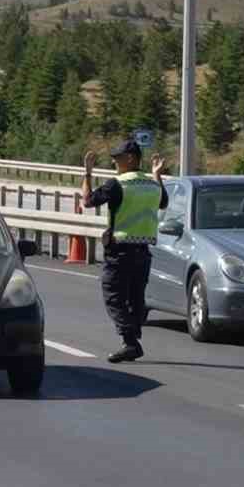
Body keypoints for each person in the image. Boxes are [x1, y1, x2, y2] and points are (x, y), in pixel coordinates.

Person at [82, 139, 167, 363]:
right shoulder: (151, 185)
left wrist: (88, 174)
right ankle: (132, 335)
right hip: (143, 250)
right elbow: (163, 202)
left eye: (117, 158)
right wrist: (156, 174)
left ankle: (130, 341)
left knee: (113, 296)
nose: (114, 162)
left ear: (130, 159)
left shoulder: (117, 184)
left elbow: (88, 201)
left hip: (120, 251)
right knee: (135, 296)